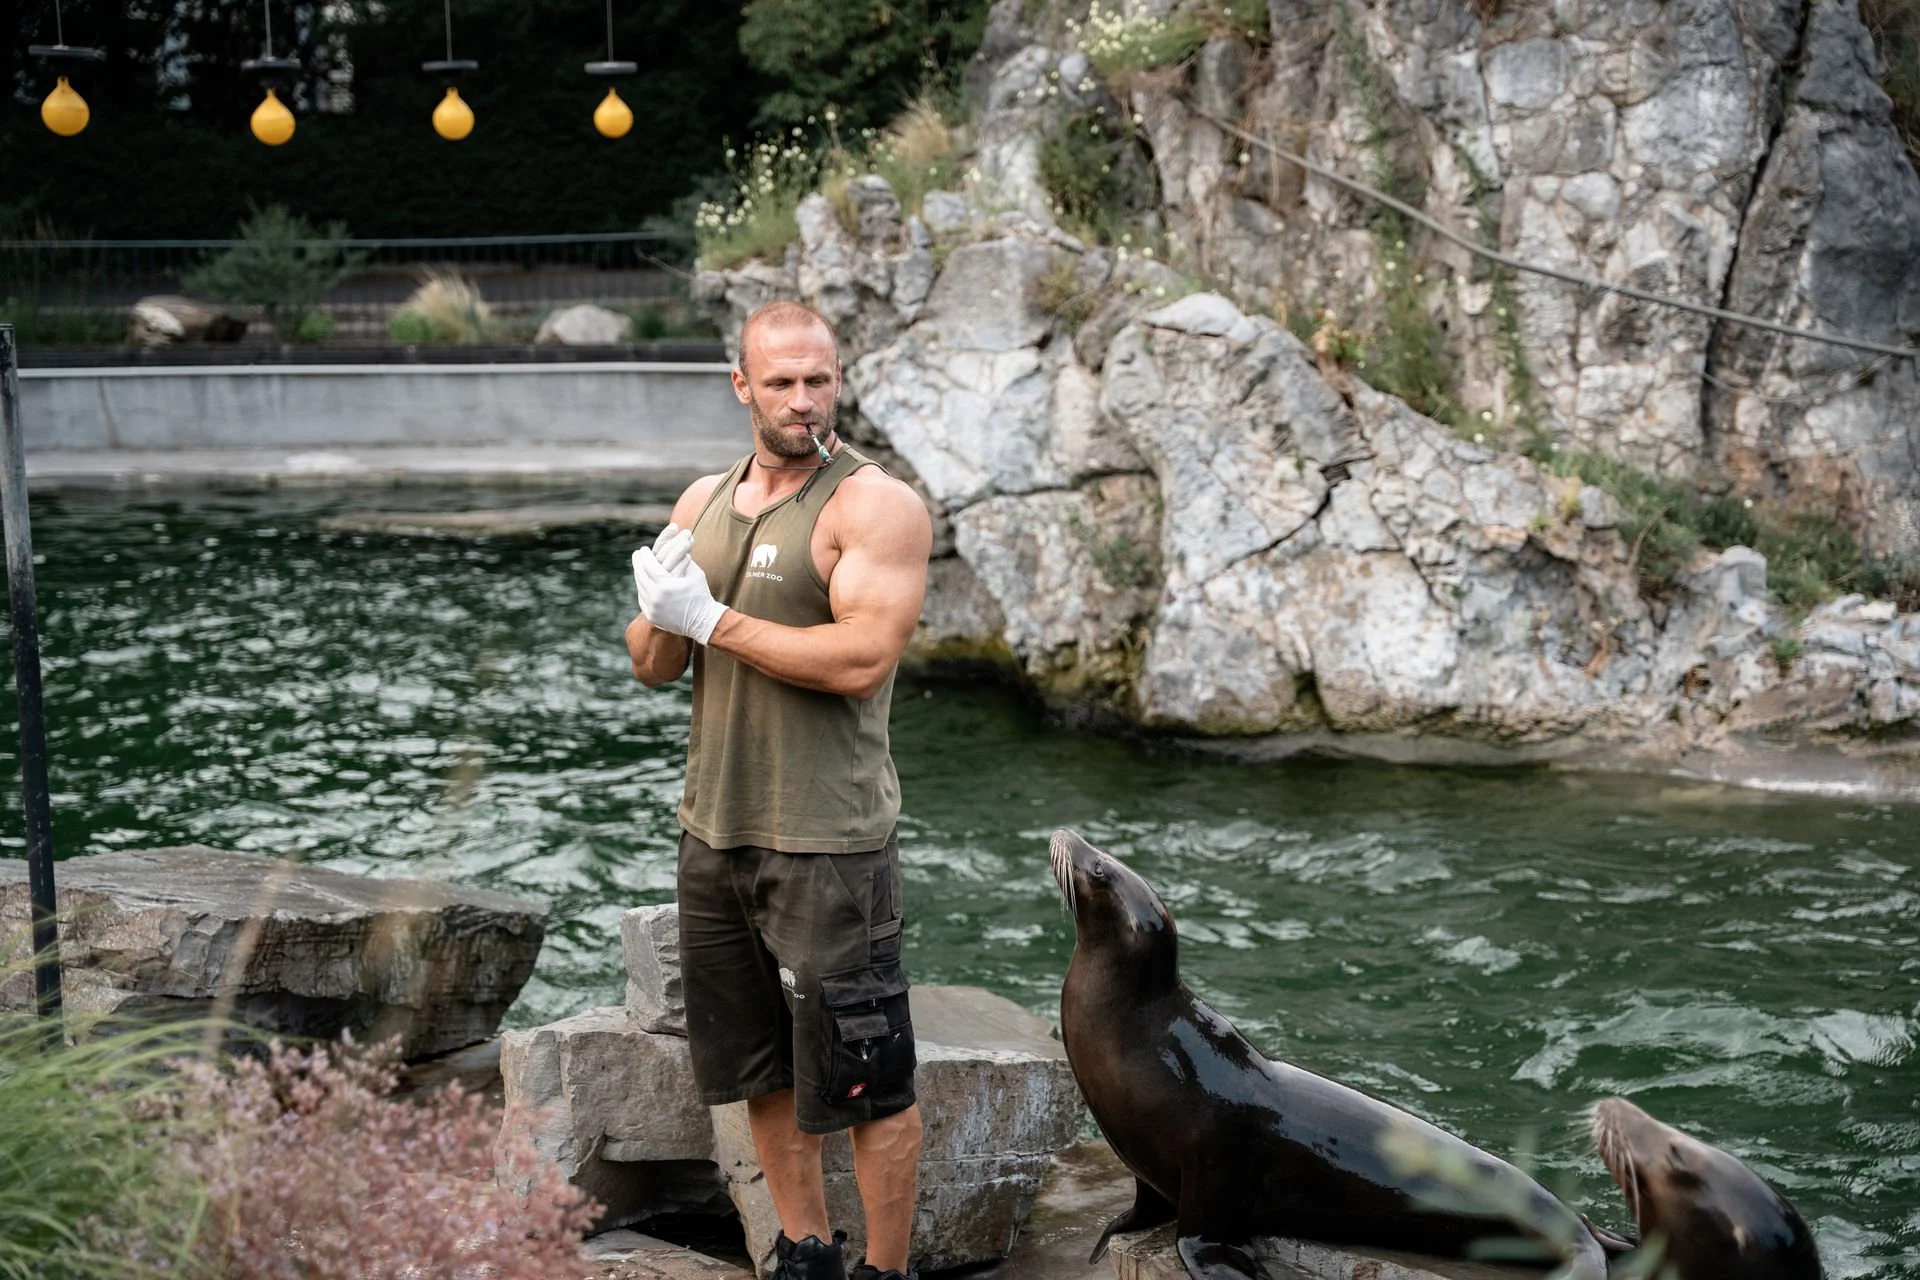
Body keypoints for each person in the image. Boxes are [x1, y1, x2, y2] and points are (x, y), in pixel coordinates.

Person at [625, 299, 934, 1280]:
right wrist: (660, 606)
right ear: (742, 386)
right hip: (715, 833)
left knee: (867, 1082)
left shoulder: (872, 505)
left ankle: (886, 1271)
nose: (804, 400)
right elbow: (651, 666)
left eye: (819, 380)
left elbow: (862, 659)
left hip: (828, 843)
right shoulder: (701, 501)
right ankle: (806, 1253)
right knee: (758, 1067)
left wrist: (710, 618)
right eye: (783, 382)